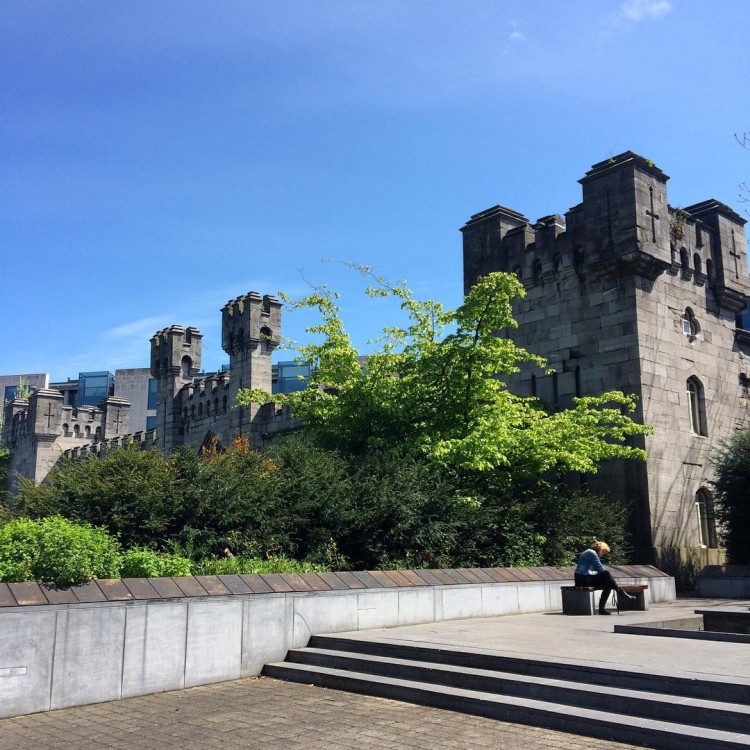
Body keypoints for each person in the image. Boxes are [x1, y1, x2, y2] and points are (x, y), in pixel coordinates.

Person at [574, 541, 634, 615]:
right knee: (606, 573)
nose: (603, 555)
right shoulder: (592, 553)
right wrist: (608, 577)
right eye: (604, 552)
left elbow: (596, 570)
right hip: (582, 579)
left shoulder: (590, 552)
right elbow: (601, 569)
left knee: (608, 584)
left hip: (583, 578)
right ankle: (619, 591)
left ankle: (602, 609)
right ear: (600, 549)